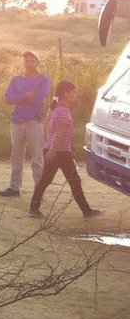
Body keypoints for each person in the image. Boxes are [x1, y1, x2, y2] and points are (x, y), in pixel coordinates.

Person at [28, 81, 103, 220]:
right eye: (73, 92)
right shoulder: (62, 111)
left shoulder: (54, 109)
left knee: (46, 180)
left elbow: (54, 132)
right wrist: (54, 151)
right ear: (65, 93)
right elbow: (59, 133)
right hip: (60, 152)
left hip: (54, 150)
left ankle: (34, 208)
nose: (75, 95)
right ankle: (86, 211)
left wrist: (53, 150)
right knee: (74, 181)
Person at [0, 51, 50, 198]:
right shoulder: (16, 79)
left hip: (33, 121)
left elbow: (39, 98)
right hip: (17, 121)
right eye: (26, 61)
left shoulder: (43, 79)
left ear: (37, 62)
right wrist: (25, 96)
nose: (29, 63)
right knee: (16, 156)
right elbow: (8, 98)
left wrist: (18, 98)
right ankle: (14, 187)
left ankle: (39, 190)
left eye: (32, 61)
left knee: (37, 157)